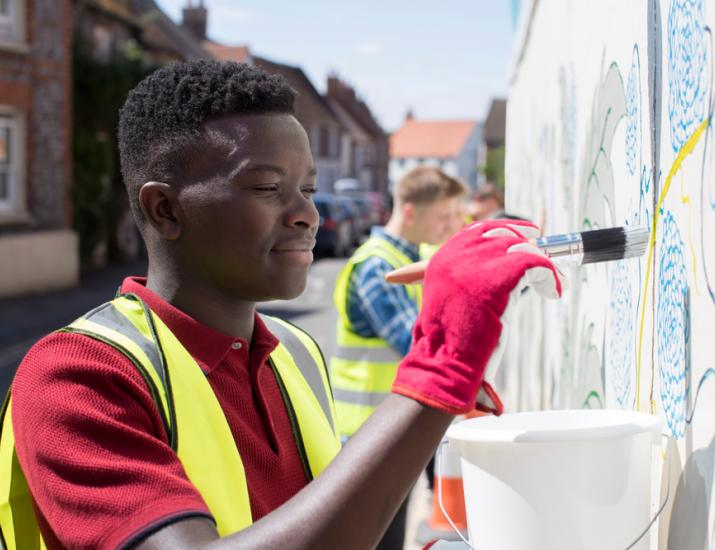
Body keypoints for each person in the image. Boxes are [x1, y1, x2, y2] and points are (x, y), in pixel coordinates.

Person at [0, 60, 563, 550]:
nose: (307, 215)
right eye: (268, 189)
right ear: (166, 210)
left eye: (310, 190)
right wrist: (442, 365)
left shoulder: (294, 351)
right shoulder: (76, 378)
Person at [330, 167, 466, 548]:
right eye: (444, 216)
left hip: (396, 430)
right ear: (410, 212)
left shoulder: (417, 257)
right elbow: (419, 346)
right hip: (367, 438)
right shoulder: (377, 268)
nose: (451, 225)